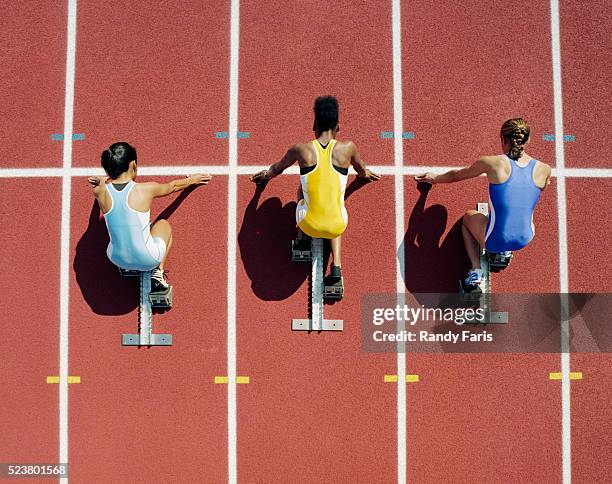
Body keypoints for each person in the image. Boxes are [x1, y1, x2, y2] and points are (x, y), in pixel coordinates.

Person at [250, 96, 380, 295]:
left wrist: (266, 175)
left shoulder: (301, 150)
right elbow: (361, 170)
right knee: (336, 205)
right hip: (338, 225)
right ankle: (336, 268)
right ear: (339, 126)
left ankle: (302, 239)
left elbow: (277, 168)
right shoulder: (349, 148)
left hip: (308, 223)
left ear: (314, 124)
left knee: (302, 188)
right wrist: (365, 174)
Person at [415, 118, 551, 292]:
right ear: (528, 140)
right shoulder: (544, 169)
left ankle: (476, 270)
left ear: (503, 140)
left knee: (467, 218)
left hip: (494, 239)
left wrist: (435, 178)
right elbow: (544, 186)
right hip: (525, 238)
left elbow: (457, 175)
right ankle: (504, 252)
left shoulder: (492, 162)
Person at [88, 142, 211, 294]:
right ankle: (157, 273)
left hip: (117, 259)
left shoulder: (100, 191)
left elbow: (101, 190)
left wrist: (101, 182)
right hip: (148, 260)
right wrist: (192, 180)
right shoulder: (145, 189)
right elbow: (172, 187)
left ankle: (127, 267)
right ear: (133, 164)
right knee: (162, 224)